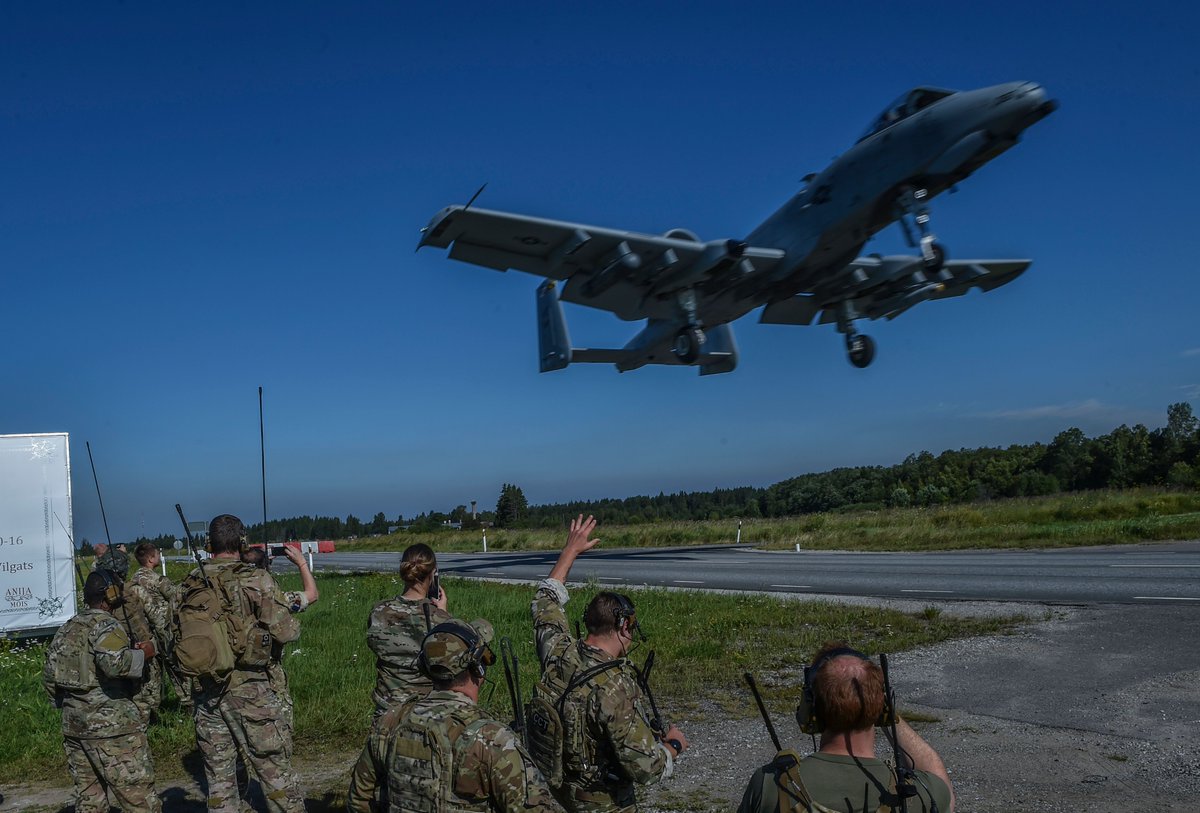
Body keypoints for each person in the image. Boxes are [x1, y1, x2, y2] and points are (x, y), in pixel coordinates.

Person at [529, 515, 686, 812]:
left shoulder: (557, 650)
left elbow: (545, 599)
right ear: (624, 626)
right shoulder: (615, 688)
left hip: (559, 791)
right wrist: (672, 747)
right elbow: (647, 769)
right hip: (602, 803)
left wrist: (570, 551)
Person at [346, 618, 562, 813]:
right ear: (478, 668)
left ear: (425, 668)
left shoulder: (391, 721)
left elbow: (359, 799)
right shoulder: (493, 740)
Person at [183, 514, 311, 813]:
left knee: (220, 782)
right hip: (252, 691)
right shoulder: (256, 579)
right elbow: (287, 632)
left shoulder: (190, 583)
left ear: (208, 543)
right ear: (242, 542)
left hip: (207, 692)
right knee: (275, 774)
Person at [737, 643, 955, 813]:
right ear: (883, 708)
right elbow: (941, 785)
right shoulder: (917, 794)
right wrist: (886, 711)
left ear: (810, 709)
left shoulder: (771, 785)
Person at [43, 570, 161, 813]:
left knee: (90, 802)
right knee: (139, 800)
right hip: (113, 729)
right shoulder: (107, 625)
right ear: (111, 596)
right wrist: (145, 652)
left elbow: (50, 678)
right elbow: (115, 664)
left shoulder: (68, 627)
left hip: (75, 727)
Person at [365, 543, 451, 718]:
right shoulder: (439, 618)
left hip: (387, 712)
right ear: (433, 574)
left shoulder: (378, 612)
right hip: (425, 713)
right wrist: (443, 614)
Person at [121, 543, 179, 719]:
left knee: (152, 674)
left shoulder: (133, 580)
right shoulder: (158, 580)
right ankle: (186, 701)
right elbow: (176, 597)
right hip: (163, 629)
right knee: (176, 669)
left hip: (143, 633)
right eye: (157, 554)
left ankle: (151, 709)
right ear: (151, 559)